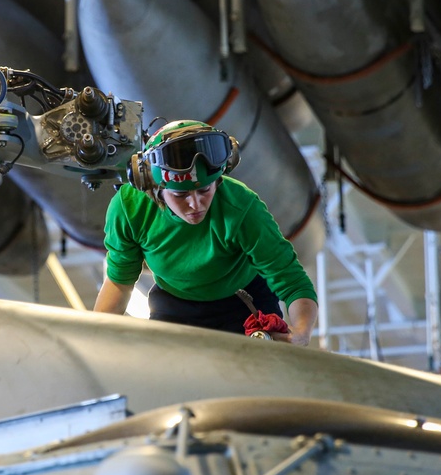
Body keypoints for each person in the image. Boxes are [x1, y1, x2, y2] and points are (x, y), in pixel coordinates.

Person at [93, 120, 318, 346]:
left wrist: (300, 333)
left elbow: (292, 281)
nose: (195, 205)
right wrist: (95, 340)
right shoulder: (129, 209)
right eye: (180, 195)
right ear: (155, 189)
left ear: (217, 181)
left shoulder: (241, 207)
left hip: (244, 299)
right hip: (175, 305)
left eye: (205, 190)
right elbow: (120, 281)